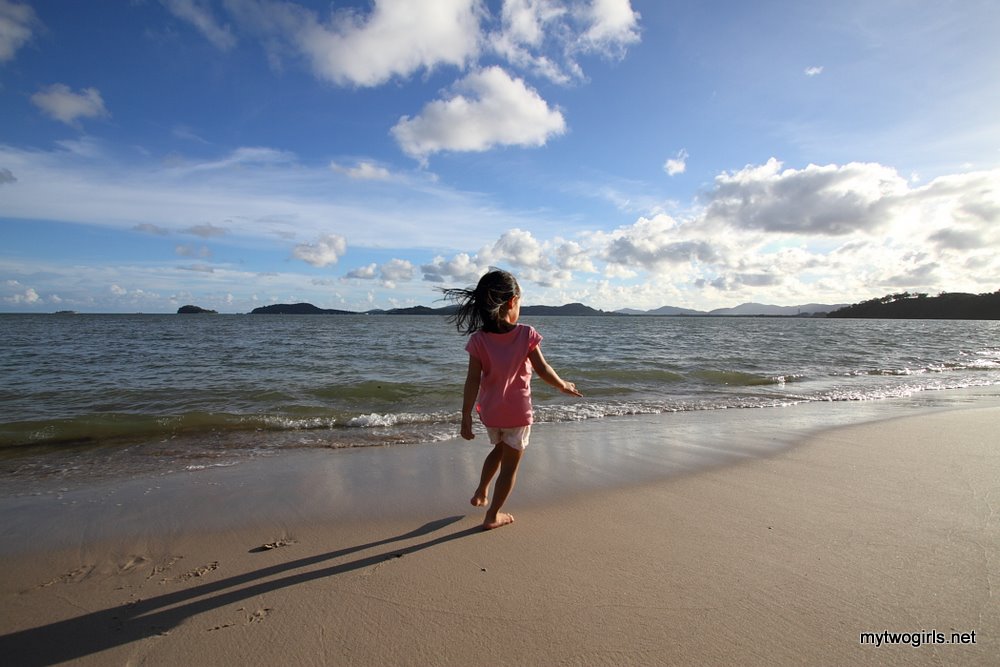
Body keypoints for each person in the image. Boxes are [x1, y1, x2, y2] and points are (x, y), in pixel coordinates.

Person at [441, 269, 582, 530]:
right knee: (509, 468)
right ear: (512, 302)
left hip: (491, 414)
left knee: (498, 449)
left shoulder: (479, 340)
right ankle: (493, 514)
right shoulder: (526, 334)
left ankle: (482, 490)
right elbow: (543, 369)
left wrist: (465, 416)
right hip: (517, 414)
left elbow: (472, 380)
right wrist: (563, 385)